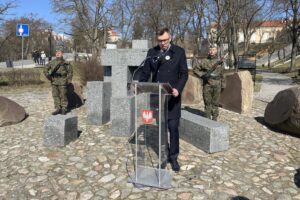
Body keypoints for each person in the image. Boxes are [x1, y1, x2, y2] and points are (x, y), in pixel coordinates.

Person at [139, 28, 188, 172]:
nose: (162, 43)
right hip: (157, 97)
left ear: (170, 38)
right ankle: (163, 155)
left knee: (173, 128)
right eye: (160, 41)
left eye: (165, 40)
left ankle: (174, 157)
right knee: (161, 127)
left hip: (172, 97)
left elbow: (184, 74)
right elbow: (145, 72)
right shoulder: (152, 52)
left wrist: (178, 89)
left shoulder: (179, 52)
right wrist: (140, 85)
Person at [192, 44, 225, 121]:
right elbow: (195, 69)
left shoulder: (220, 61)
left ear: (216, 51)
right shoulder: (204, 61)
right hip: (207, 84)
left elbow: (222, 73)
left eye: (213, 49)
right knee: (207, 101)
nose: (211, 51)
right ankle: (207, 117)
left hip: (217, 83)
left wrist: (223, 84)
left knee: (216, 102)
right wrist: (202, 75)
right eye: (210, 50)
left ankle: (215, 117)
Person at [44, 46, 73, 115]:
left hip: (63, 80)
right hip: (54, 81)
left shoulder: (66, 63)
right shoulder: (52, 62)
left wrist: (68, 80)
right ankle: (58, 108)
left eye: (59, 53)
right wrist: (48, 76)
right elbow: (45, 69)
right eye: (56, 53)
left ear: (62, 54)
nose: (57, 54)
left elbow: (70, 72)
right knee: (55, 95)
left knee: (63, 95)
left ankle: (64, 108)